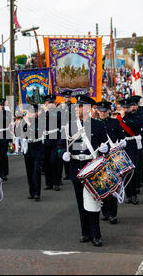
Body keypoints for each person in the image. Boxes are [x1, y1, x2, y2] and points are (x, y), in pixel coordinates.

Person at [60, 95, 108, 247]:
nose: (75, 109)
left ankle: (96, 234)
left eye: (79, 106)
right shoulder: (69, 126)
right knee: (81, 202)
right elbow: (60, 145)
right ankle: (85, 232)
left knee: (93, 202)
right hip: (76, 167)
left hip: (91, 167)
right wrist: (63, 153)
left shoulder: (98, 125)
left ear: (87, 108)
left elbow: (104, 144)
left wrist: (104, 149)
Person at [95, 101, 124, 224]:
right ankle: (105, 212)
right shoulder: (94, 124)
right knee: (101, 185)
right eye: (100, 111)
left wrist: (123, 143)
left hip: (111, 157)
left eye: (104, 111)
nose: (102, 113)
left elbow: (121, 137)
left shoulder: (115, 122)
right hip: (98, 157)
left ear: (109, 111)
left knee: (112, 186)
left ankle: (113, 214)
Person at [17, 104, 44, 200]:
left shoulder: (40, 121)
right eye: (29, 112)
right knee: (29, 170)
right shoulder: (23, 122)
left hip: (37, 146)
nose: (30, 114)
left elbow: (37, 132)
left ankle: (37, 193)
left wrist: (29, 123)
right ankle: (31, 191)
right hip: (27, 147)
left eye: (32, 112)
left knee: (36, 170)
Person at [43, 95, 62, 192]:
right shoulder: (44, 113)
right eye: (48, 103)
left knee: (54, 161)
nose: (50, 105)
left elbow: (58, 120)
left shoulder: (58, 113)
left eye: (51, 103)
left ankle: (56, 182)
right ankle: (48, 182)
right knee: (46, 162)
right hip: (46, 140)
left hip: (56, 139)